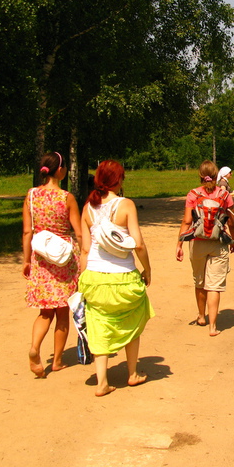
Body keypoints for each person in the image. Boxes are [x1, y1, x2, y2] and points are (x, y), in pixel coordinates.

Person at [79, 160, 154, 397]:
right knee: (132, 320)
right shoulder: (126, 205)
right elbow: (138, 244)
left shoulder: (87, 208)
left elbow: (84, 249)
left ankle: (102, 381)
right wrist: (148, 269)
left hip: (94, 277)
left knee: (98, 324)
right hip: (123, 277)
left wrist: (84, 280)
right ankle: (132, 373)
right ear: (118, 180)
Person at [22, 151, 82, 378]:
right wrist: (85, 255)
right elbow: (78, 232)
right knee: (63, 312)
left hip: (41, 257)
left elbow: (27, 231)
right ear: (60, 170)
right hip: (64, 259)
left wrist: (27, 260)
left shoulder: (31, 196)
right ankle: (57, 361)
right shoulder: (66, 197)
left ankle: (35, 347)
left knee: (45, 311)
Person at [176, 160, 234, 337]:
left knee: (200, 281)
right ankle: (213, 327)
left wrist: (179, 244)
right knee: (215, 286)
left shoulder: (193, 194)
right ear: (216, 174)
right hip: (218, 242)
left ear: (200, 176)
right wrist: (233, 241)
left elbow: (187, 221)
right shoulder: (225, 195)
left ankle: (201, 316)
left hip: (197, 242)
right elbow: (232, 220)